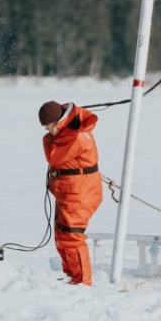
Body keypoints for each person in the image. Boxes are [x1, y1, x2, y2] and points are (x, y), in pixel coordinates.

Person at [39, 100, 103, 286]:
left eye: (49, 127)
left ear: (58, 122)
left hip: (80, 191)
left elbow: (53, 156)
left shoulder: (75, 136)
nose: (48, 132)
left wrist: (51, 137)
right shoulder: (69, 128)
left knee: (71, 236)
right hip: (70, 190)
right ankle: (71, 276)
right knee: (62, 235)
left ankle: (82, 281)